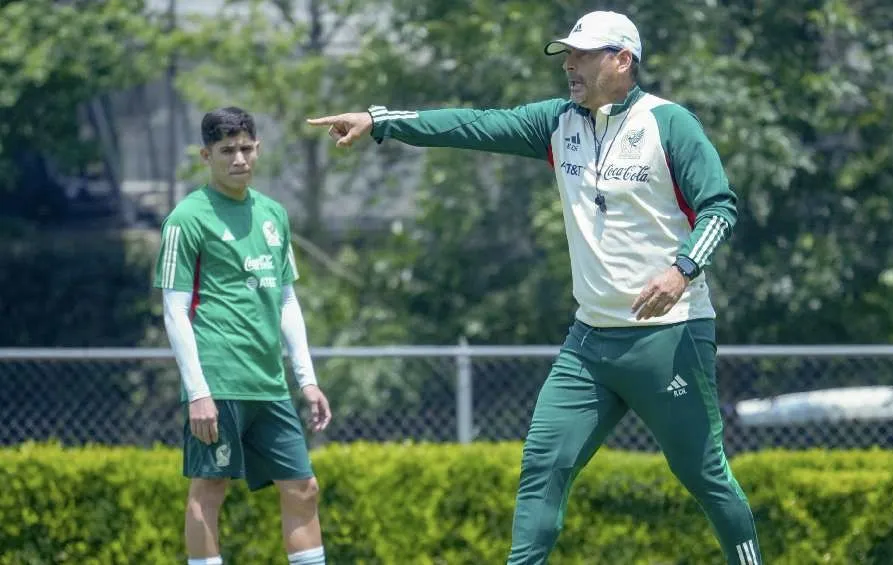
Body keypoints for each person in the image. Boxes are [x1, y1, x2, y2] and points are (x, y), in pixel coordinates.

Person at [307, 10, 763, 565]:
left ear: (622, 60)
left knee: (704, 474)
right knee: (543, 465)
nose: (569, 64)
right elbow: (471, 124)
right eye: (567, 54)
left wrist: (682, 269)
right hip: (590, 345)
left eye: (583, 54)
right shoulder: (557, 122)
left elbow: (719, 207)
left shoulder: (671, 125)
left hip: (670, 338)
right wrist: (381, 120)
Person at [154, 106, 332, 565]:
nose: (239, 159)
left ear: (258, 150)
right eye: (227, 150)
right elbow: (174, 312)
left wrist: (306, 379)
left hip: (269, 384)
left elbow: (287, 302)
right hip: (218, 381)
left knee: (303, 486)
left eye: (246, 148)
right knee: (209, 488)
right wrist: (197, 393)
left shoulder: (273, 214)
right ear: (206, 155)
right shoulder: (185, 218)